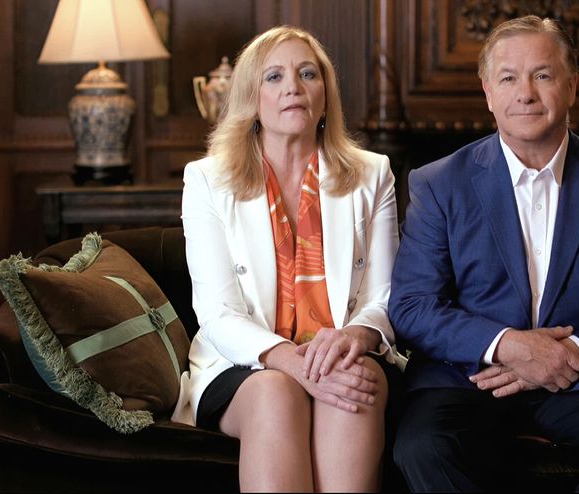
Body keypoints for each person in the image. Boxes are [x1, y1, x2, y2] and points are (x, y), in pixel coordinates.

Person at [389, 15, 579, 492]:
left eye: (542, 75)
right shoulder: (439, 183)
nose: (525, 93)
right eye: (508, 78)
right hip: (469, 376)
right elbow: (412, 306)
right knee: (421, 445)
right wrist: (510, 346)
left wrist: (570, 353)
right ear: (488, 92)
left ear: (572, 86)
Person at [171, 25, 405, 492]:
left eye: (307, 74)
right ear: (251, 98)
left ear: (325, 94)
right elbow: (217, 313)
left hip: (343, 352)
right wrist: (293, 364)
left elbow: (385, 296)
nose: (293, 87)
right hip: (243, 364)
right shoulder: (207, 180)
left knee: (351, 378)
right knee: (276, 391)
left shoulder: (372, 174)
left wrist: (352, 337)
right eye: (274, 77)